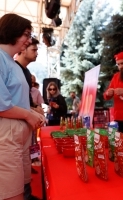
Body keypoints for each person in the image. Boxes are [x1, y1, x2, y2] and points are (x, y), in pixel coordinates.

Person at [0, 13, 45, 200]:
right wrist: (28, 115)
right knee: (12, 193)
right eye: (26, 34)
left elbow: (14, 98)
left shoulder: (11, 62)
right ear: (12, 32)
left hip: (19, 134)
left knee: (23, 185)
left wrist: (32, 111)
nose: (28, 40)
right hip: (8, 134)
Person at [15, 35, 43, 199]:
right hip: (14, 128)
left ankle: (27, 193)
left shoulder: (25, 71)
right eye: (34, 49)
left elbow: (24, 100)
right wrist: (31, 110)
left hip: (24, 124)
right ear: (22, 49)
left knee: (25, 165)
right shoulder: (13, 68)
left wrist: (34, 108)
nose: (37, 53)